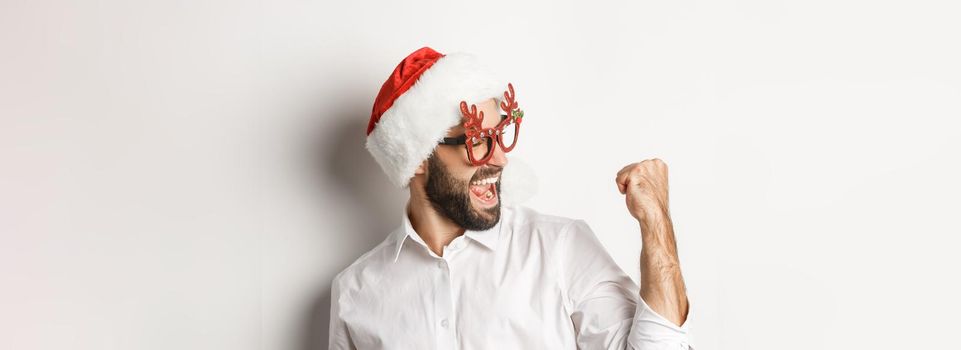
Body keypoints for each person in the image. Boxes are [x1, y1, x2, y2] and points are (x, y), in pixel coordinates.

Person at [329, 46, 693, 349]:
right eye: (477, 141)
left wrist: (656, 222)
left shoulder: (559, 248)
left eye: (500, 136)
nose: (500, 159)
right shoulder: (355, 293)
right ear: (419, 156)